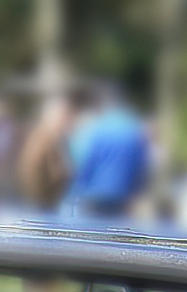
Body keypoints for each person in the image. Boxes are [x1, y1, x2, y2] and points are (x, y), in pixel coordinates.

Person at [64, 84, 151, 220]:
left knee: (93, 236)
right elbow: (140, 165)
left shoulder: (98, 128)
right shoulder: (134, 128)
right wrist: (136, 192)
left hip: (94, 194)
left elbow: (87, 162)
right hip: (122, 195)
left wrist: (75, 190)